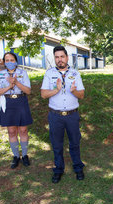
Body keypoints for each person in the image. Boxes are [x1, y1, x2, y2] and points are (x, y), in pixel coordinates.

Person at [41, 46, 85, 184]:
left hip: (72, 115)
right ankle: (58, 169)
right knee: (57, 144)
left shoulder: (75, 74)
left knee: (75, 143)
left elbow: (81, 95)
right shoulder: (49, 74)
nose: (59, 59)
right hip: (56, 116)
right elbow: (43, 94)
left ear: (67, 57)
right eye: (57, 57)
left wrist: (74, 91)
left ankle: (78, 167)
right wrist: (56, 89)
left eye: (62, 56)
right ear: (55, 59)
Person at [0, 52, 33, 168]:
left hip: (21, 102)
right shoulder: (1, 74)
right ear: (4, 62)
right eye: (7, 60)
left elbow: (28, 91)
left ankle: (25, 155)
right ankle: (16, 156)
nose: (10, 62)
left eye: (12, 60)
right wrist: (9, 86)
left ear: (16, 61)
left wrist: (16, 83)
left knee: (23, 130)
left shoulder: (23, 73)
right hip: (8, 103)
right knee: (11, 131)